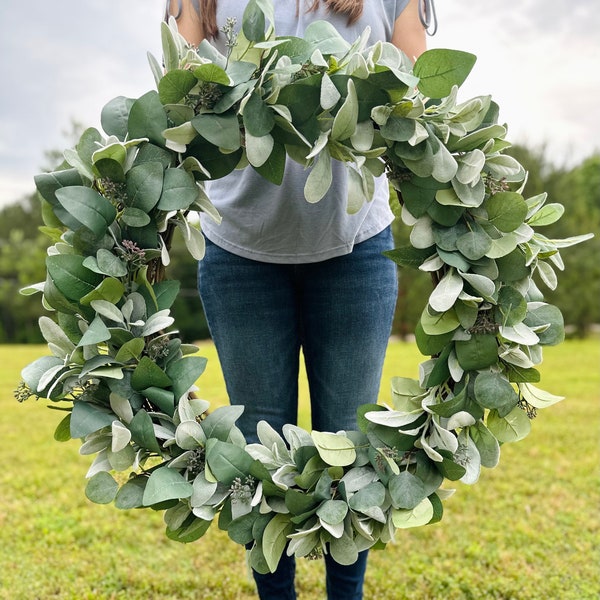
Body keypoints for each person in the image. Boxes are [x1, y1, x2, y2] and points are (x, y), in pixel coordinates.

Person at [166, 1, 428, 598]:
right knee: (260, 458)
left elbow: (421, 88)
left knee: (351, 453)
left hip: (355, 248)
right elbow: (174, 98)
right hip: (239, 255)